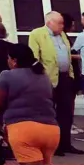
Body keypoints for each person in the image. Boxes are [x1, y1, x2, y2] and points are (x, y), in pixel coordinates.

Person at [28, 11, 81, 155]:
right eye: (60, 23)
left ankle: (66, 144)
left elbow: (67, 54)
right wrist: (40, 76)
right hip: (48, 79)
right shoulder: (37, 34)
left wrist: (71, 75)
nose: (63, 26)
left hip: (65, 78)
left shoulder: (62, 34)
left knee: (67, 113)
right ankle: (52, 146)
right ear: (49, 22)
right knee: (49, 113)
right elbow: (33, 57)